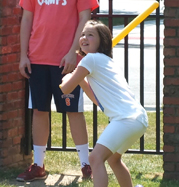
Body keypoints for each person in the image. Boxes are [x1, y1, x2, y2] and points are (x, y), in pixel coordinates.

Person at [17, 0, 99, 182]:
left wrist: (74, 52)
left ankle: (86, 165)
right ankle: (38, 166)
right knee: (39, 111)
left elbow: (84, 18)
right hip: (37, 58)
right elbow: (27, 18)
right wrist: (23, 55)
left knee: (74, 112)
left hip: (66, 60)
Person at [60, 20, 148, 187]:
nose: (84, 37)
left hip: (125, 119)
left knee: (95, 158)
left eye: (91, 35)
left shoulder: (90, 60)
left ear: (103, 41)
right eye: (83, 34)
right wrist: (80, 81)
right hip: (138, 118)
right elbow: (98, 102)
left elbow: (65, 89)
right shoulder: (104, 61)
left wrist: (67, 79)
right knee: (114, 159)